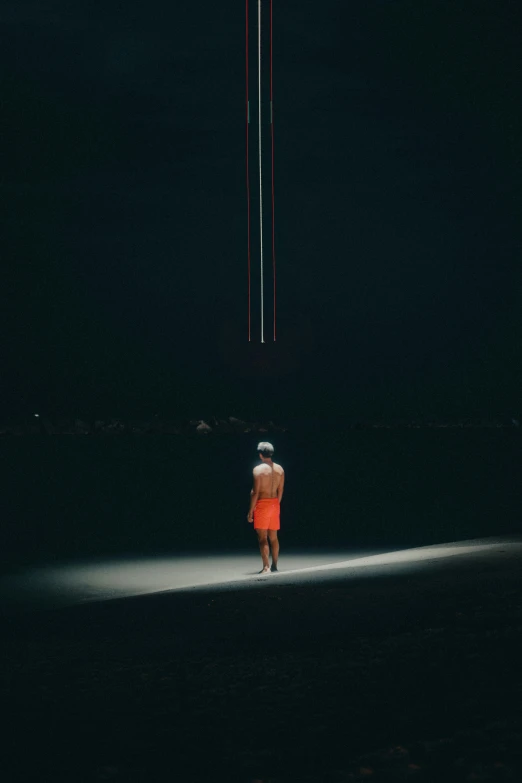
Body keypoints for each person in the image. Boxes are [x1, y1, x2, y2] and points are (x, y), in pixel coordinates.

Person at [247, 441, 285, 574]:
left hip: (262, 504)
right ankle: (275, 565)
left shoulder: (257, 470)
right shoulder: (280, 469)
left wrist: (250, 511)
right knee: (274, 537)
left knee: (262, 538)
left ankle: (266, 567)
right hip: (275, 503)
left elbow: (255, 492)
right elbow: (280, 490)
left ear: (260, 455)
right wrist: (276, 504)